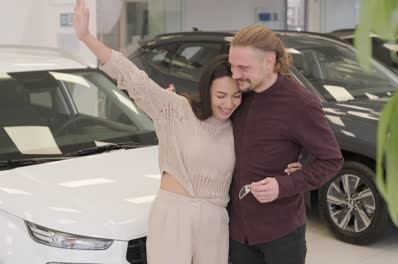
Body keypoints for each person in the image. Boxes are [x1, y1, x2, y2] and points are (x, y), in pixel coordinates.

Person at [73, 1, 301, 263]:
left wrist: (295, 166)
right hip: (175, 216)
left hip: (216, 221)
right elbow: (132, 78)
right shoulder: (176, 110)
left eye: (236, 96)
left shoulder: (239, 125)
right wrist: (86, 37)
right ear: (207, 91)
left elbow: (269, 147)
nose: (229, 103)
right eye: (221, 95)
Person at [227, 25, 344, 264]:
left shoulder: (300, 104)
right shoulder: (237, 95)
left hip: (280, 234)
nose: (235, 74)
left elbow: (331, 160)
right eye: (232, 66)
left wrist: (285, 185)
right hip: (238, 234)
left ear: (269, 62)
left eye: (243, 67)